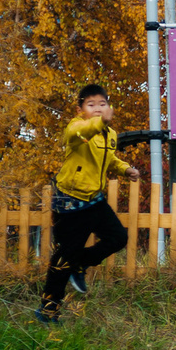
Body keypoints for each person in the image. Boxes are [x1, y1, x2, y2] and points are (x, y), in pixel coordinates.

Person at [38, 83, 134, 323]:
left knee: (118, 238)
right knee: (63, 258)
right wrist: (100, 123)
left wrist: (125, 169)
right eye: (91, 105)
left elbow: (109, 159)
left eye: (102, 104)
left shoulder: (110, 134)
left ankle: (80, 262)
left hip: (94, 200)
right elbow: (79, 135)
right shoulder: (76, 127)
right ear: (81, 109)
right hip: (70, 201)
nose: (98, 109)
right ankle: (49, 309)